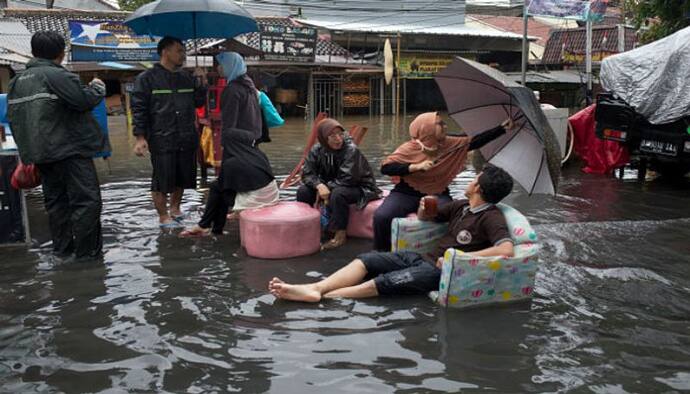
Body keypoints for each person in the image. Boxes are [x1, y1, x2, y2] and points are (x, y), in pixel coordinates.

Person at [268, 165, 515, 302]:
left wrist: (456, 257)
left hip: (441, 270)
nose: (471, 180)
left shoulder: (491, 216)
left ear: (479, 187)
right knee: (369, 259)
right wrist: (422, 210)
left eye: (476, 178)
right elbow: (427, 217)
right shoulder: (462, 206)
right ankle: (317, 288)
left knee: (385, 282)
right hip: (423, 259)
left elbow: (506, 249)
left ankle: (319, 295)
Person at [7, 31, 106, 259]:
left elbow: (15, 119)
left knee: (56, 203)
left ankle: (62, 253)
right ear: (61, 53)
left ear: (33, 52)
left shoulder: (16, 82)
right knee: (87, 202)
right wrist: (98, 87)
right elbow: (83, 101)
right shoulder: (57, 76)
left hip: (41, 155)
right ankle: (87, 258)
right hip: (70, 151)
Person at [373, 111, 513, 251]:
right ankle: (381, 252)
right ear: (426, 129)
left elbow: (475, 141)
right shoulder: (409, 148)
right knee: (382, 216)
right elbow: (386, 168)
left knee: (449, 218)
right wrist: (415, 167)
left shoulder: (451, 144)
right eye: (440, 124)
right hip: (406, 193)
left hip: (438, 192)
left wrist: (501, 129)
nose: (445, 126)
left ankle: (441, 252)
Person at [131, 36, 207, 228]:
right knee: (161, 179)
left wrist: (201, 82)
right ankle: (163, 216)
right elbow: (138, 109)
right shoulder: (146, 79)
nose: (183, 55)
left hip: (186, 135)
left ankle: (175, 208)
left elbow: (198, 103)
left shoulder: (186, 77)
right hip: (160, 137)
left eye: (183, 51)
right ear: (165, 52)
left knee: (183, 175)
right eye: (179, 51)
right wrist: (140, 137)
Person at [296, 118, 382, 250]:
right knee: (303, 191)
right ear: (324, 138)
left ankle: (339, 234)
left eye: (340, 134)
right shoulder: (317, 150)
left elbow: (347, 178)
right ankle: (306, 226)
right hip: (331, 184)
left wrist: (326, 187)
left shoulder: (351, 150)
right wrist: (319, 185)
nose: (338, 139)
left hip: (360, 187)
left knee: (338, 194)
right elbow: (307, 174)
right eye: (332, 135)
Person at [179, 128, 279, 237]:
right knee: (219, 188)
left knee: (217, 189)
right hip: (272, 196)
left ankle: (207, 227)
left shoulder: (232, 163)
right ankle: (211, 228)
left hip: (257, 202)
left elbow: (223, 188)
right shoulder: (258, 155)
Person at [215, 52, 262, 141]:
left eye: (221, 64)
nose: (218, 68)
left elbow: (228, 124)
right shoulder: (249, 85)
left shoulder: (232, 90)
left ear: (230, 66)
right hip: (251, 139)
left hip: (238, 144)